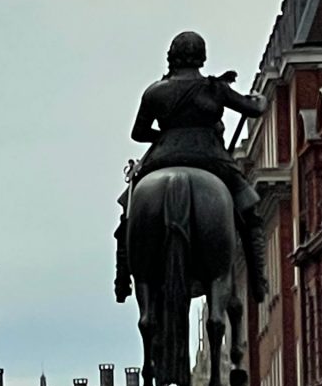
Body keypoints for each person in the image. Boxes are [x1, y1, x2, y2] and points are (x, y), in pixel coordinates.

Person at [114, 31, 268, 304]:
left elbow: (138, 132)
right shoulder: (215, 88)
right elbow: (253, 109)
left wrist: (164, 135)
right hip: (211, 158)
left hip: (163, 157)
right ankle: (259, 281)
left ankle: (123, 279)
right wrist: (260, 99)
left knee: (128, 214)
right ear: (202, 56)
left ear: (172, 55)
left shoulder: (155, 91)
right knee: (250, 213)